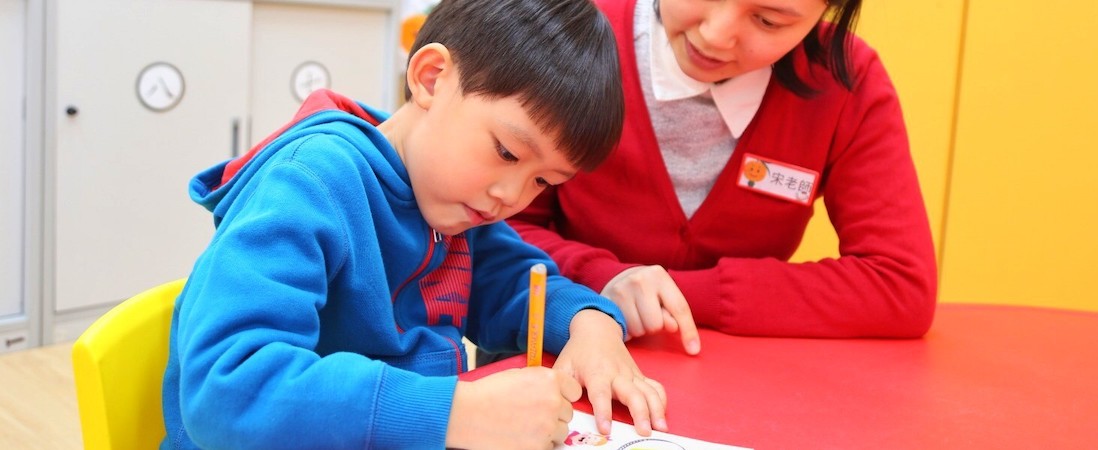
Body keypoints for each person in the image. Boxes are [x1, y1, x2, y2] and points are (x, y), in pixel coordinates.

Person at [160, 0, 668, 448]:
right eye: (508, 152)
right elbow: (224, 389)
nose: (510, 196)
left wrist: (591, 323)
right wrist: (453, 413)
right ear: (431, 78)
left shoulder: (452, 203)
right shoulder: (310, 183)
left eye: (542, 182)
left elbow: (517, 284)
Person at [503, 0, 938, 357]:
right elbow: (497, 230)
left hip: (738, 381)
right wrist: (603, 277)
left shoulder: (842, 78)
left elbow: (900, 284)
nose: (714, 35)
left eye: (767, 20)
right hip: (553, 355)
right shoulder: (568, 38)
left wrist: (686, 294)